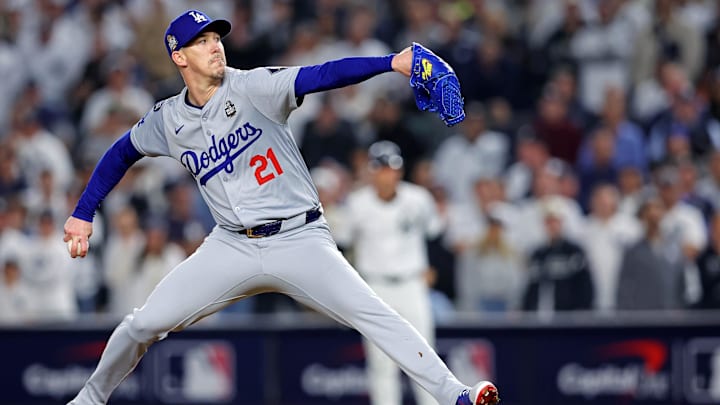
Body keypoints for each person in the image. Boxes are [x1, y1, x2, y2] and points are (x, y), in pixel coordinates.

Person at [63, 9, 498, 405]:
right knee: (141, 325)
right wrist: (83, 213)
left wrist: (393, 63)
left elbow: (323, 74)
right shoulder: (168, 119)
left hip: (300, 238)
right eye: (201, 41)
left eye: (216, 37)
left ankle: (455, 394)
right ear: (178, 57)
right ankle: (88, 400)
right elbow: (121, 152)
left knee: (375, 313)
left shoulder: (254, 86)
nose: (215, 46)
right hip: (230, 246)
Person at [334, 141, 442, 405]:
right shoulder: (357, 204)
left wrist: (434, 269)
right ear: (371, 172)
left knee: (424, 357)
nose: (386, 175)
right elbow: (341, 244)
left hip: (411, 283)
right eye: (380, 169)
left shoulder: (418, 199)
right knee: (382, 363)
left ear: (400, 171)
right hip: (376, 287)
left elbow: (436, 234)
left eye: (391, 169)